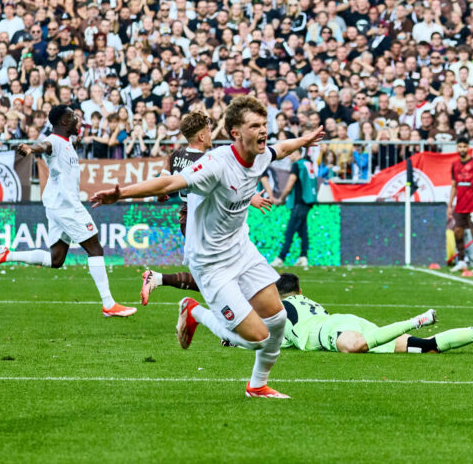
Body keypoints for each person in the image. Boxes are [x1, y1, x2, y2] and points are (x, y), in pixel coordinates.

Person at [91, 96, 325, 399]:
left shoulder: (261, 154)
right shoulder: (215, 165)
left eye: (263, 125)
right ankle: (194, 311)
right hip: (210, 263)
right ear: (234, 133)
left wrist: (305, 140)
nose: (263, 131)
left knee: (278, 319)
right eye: (254, 126)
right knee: (257, 339)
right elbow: (167, 184)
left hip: (242, 250)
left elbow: (280, 149)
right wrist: (120, 194)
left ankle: (257, 386)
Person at [0, 105, 136, 318]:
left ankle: (7, 254)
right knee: (95, 248)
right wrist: (31, 148)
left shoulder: (66, 142)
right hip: (66, 206)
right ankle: (108, 304)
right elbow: (44, 145)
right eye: (73, 116)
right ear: (64, 122)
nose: (77, 119)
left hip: (57, 205)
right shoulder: (54, 140)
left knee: (57, 259)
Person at [140, 112, 272, 304]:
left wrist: (163, 196)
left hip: (187, 218)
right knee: (220, 279)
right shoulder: (209, 160)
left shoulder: (174, 156)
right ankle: (226, 325)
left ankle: (159, 279)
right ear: (201, 136)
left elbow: (162, 186)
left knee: (220, 277)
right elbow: (229, 187)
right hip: (206, 220)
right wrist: (251, 198)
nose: (211, 134)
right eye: (209, 131)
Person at [275, 273, 473, 354]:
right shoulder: (308, 302)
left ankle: (416, 320)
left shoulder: (280, 308)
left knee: (354, 346)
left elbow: (264, 337)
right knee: (427, 346)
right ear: (300, 290)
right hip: (345, 320)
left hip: (327, 331)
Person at [269, 147, 318, 268]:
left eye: (290, 153)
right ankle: (303, 257)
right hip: (308, 201)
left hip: (299, 201)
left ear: (296, 153)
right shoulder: (308, 164)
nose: (288, 156)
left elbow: (290, 184)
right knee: (302, 230)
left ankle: (281, 258)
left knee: (290, 230)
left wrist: (281, 198)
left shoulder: (297, 165)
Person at [448, 137, 473, 273]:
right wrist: (449, 205)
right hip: (460, 205)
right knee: (457, 232)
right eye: (460, 146)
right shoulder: (455, 164)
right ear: (457, 148)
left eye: (465, 146)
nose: (462, 149)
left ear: (468, 148)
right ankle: (462, 261)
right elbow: (454, 186)